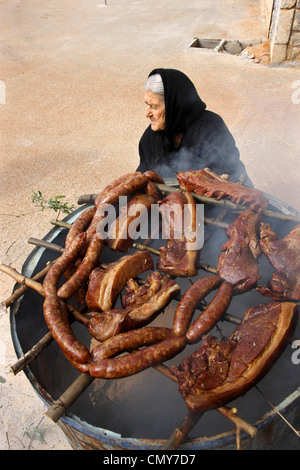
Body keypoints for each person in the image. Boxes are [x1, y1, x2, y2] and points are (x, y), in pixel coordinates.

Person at [136, 68, 252, 187]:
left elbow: (229, 178)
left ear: (174, 107)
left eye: (154, 107)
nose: (147, 114)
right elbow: (141, 179)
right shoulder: (150, 139)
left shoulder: (211, 128)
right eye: (147, 105)